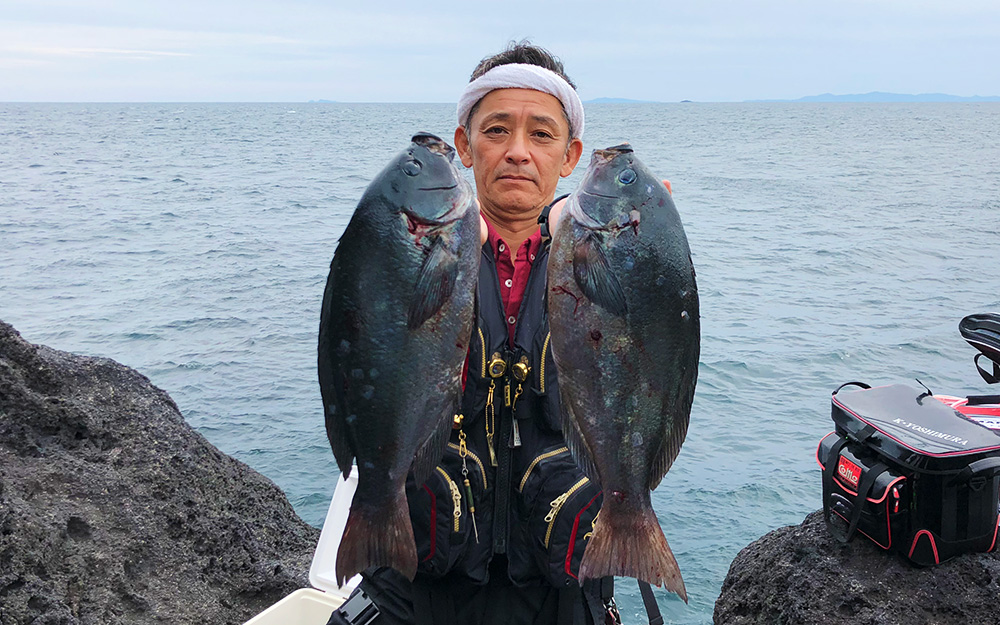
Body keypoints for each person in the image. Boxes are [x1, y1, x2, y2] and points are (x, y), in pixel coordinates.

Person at [329, 42, 617, 625]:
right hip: (414, 591)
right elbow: (359, 360)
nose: (517, 152)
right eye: (495, 130)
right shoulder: (408, 254)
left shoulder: (607, 263)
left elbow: (650, 375)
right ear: (464, 145)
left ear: (570, 156)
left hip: (563, 596)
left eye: (541, 134)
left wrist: (627, 248)